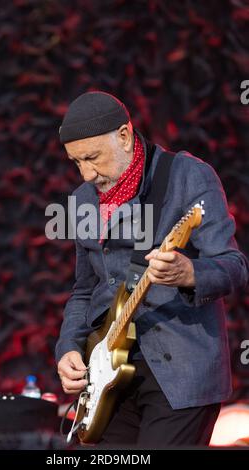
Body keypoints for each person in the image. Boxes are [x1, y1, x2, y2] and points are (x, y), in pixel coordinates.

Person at [55, 91, 249, 447]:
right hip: (109, 377)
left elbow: (235, 266)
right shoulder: (82, 200)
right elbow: (84, 290)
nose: (87, 173)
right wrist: (68, 346)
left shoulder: (188, 176)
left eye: (93, 157)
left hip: (180, 375)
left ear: (125, 136)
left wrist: (190, 273)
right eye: (76, 162)